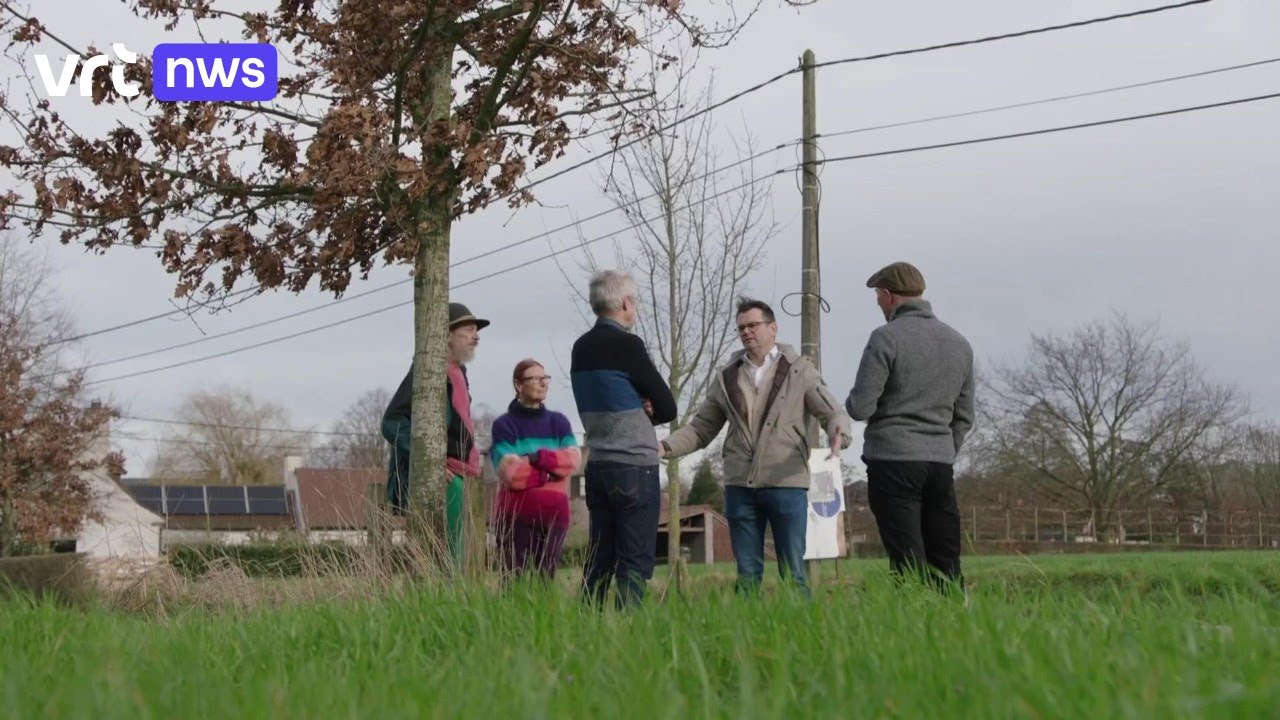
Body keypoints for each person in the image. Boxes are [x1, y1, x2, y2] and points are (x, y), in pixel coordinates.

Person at [659, 298, 850, 596]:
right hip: (740, 486)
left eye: (753, 325)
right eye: (741, 328)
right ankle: (747, 638)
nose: (747, 332)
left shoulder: (800, 371)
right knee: (747, 575)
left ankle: (803, 635)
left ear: (772, 328)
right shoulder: (726, 377)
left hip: (786, 482)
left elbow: (830, 410)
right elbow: (702, 428)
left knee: (793, 573)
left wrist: (839, 432)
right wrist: (664, 447)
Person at [845, 262, 974, 590]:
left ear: (888, 296)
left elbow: (860, 408)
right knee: (945, 558)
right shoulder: (959, 343)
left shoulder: (886, 338)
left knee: (907, 559)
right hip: (940, 464)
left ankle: (915, 630)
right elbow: (964, 416)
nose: (877, 303)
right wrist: (943, 448)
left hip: (893, 463)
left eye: (877, 296)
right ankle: (955, 627)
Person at [570, 270, 677, 609]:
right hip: (633, 465)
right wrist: (649, 409)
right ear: (626, 303)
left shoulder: (580, 347)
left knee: (599, 558)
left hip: (598, 464)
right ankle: (629, 631)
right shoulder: (628, 345)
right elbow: (668, 405)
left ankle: (589, 629)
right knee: (634, 561)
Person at [380, 302, 489, 569]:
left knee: (458, 554)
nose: (476, 336)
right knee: (446, 557)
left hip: (461, 475)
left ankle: (451, 607)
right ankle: (441, 606)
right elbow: (391, 421)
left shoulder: (460, 372)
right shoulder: (428, 372)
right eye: (468, 330)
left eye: (476, 330)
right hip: (442, 478)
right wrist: (430, 462)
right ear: (447, 334)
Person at [489, 359, 581, 582]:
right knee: (512, 583)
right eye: (535, 379)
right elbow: (511, 472)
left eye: (545, 378)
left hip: (554, 518)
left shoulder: (559, 422)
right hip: (515, 518)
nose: (543, 383)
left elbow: (573, 460)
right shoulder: (504, 425)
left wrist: (538, 457)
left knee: (545, 583)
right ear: (519, 385)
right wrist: (549, 473)